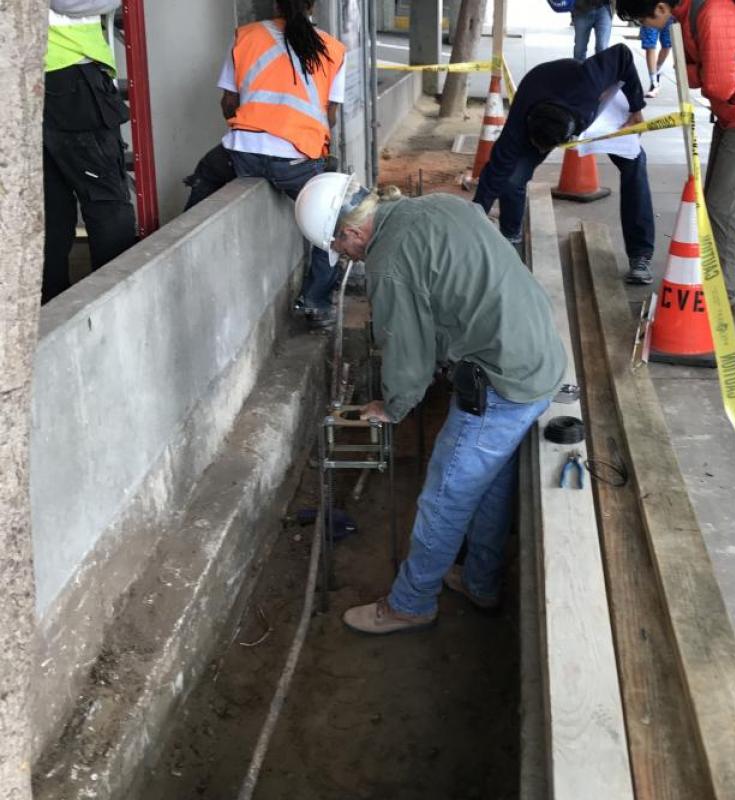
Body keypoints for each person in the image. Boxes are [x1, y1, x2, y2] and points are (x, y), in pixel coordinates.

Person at [294, 173, 567, 635]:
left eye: (341, 249)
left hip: (503, 379)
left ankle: (412, 603)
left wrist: (394, 406)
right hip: (536, 356)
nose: (346, 259)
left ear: (353, 232)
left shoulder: (389, 261)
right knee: (491, 484)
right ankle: (480, 581)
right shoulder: (437, 206)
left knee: (444, 497)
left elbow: (407, 350)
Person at [616, 0, 735, 305]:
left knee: (725, 210)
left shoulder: (713, 12)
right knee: (715, 206)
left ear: (660, 8)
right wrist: (705, 70)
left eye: (643, 20)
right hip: (734, 114)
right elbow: (694, 73)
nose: (644, 27)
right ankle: (710, 288)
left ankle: (721, 300)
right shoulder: (688, 14)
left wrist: (703, 71)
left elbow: (716, 86)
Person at [473, 44, 658, 285]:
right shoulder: (521, 117)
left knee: (635, 162)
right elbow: (494, 172)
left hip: (603, 108)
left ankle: (640, 255)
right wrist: (473, 219)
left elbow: (622, 54)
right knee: (512, 176)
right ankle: (510, 236)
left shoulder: (588, 80)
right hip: (548, 105)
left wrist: (636, 107)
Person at [218, 0, 346, 330]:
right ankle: (315, 302)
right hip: (297, 160)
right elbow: (329, 115)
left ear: (275, 2)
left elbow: (228, 103)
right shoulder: (333, 48)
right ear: (313, 4)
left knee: (203, 177)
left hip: (243, 153)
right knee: (333, 223)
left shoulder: (245, 36)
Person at [43, 1, 137, 304]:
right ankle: (117, 304)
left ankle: (50, 314)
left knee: (48, 209)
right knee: (106, 201)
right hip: (70, 77)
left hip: (24, 82)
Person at [639, 20, 673, 98]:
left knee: (667, 45)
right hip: (649, 11)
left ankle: (656, 70)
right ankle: (654, 82)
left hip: (670, 13)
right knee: (649, 45)